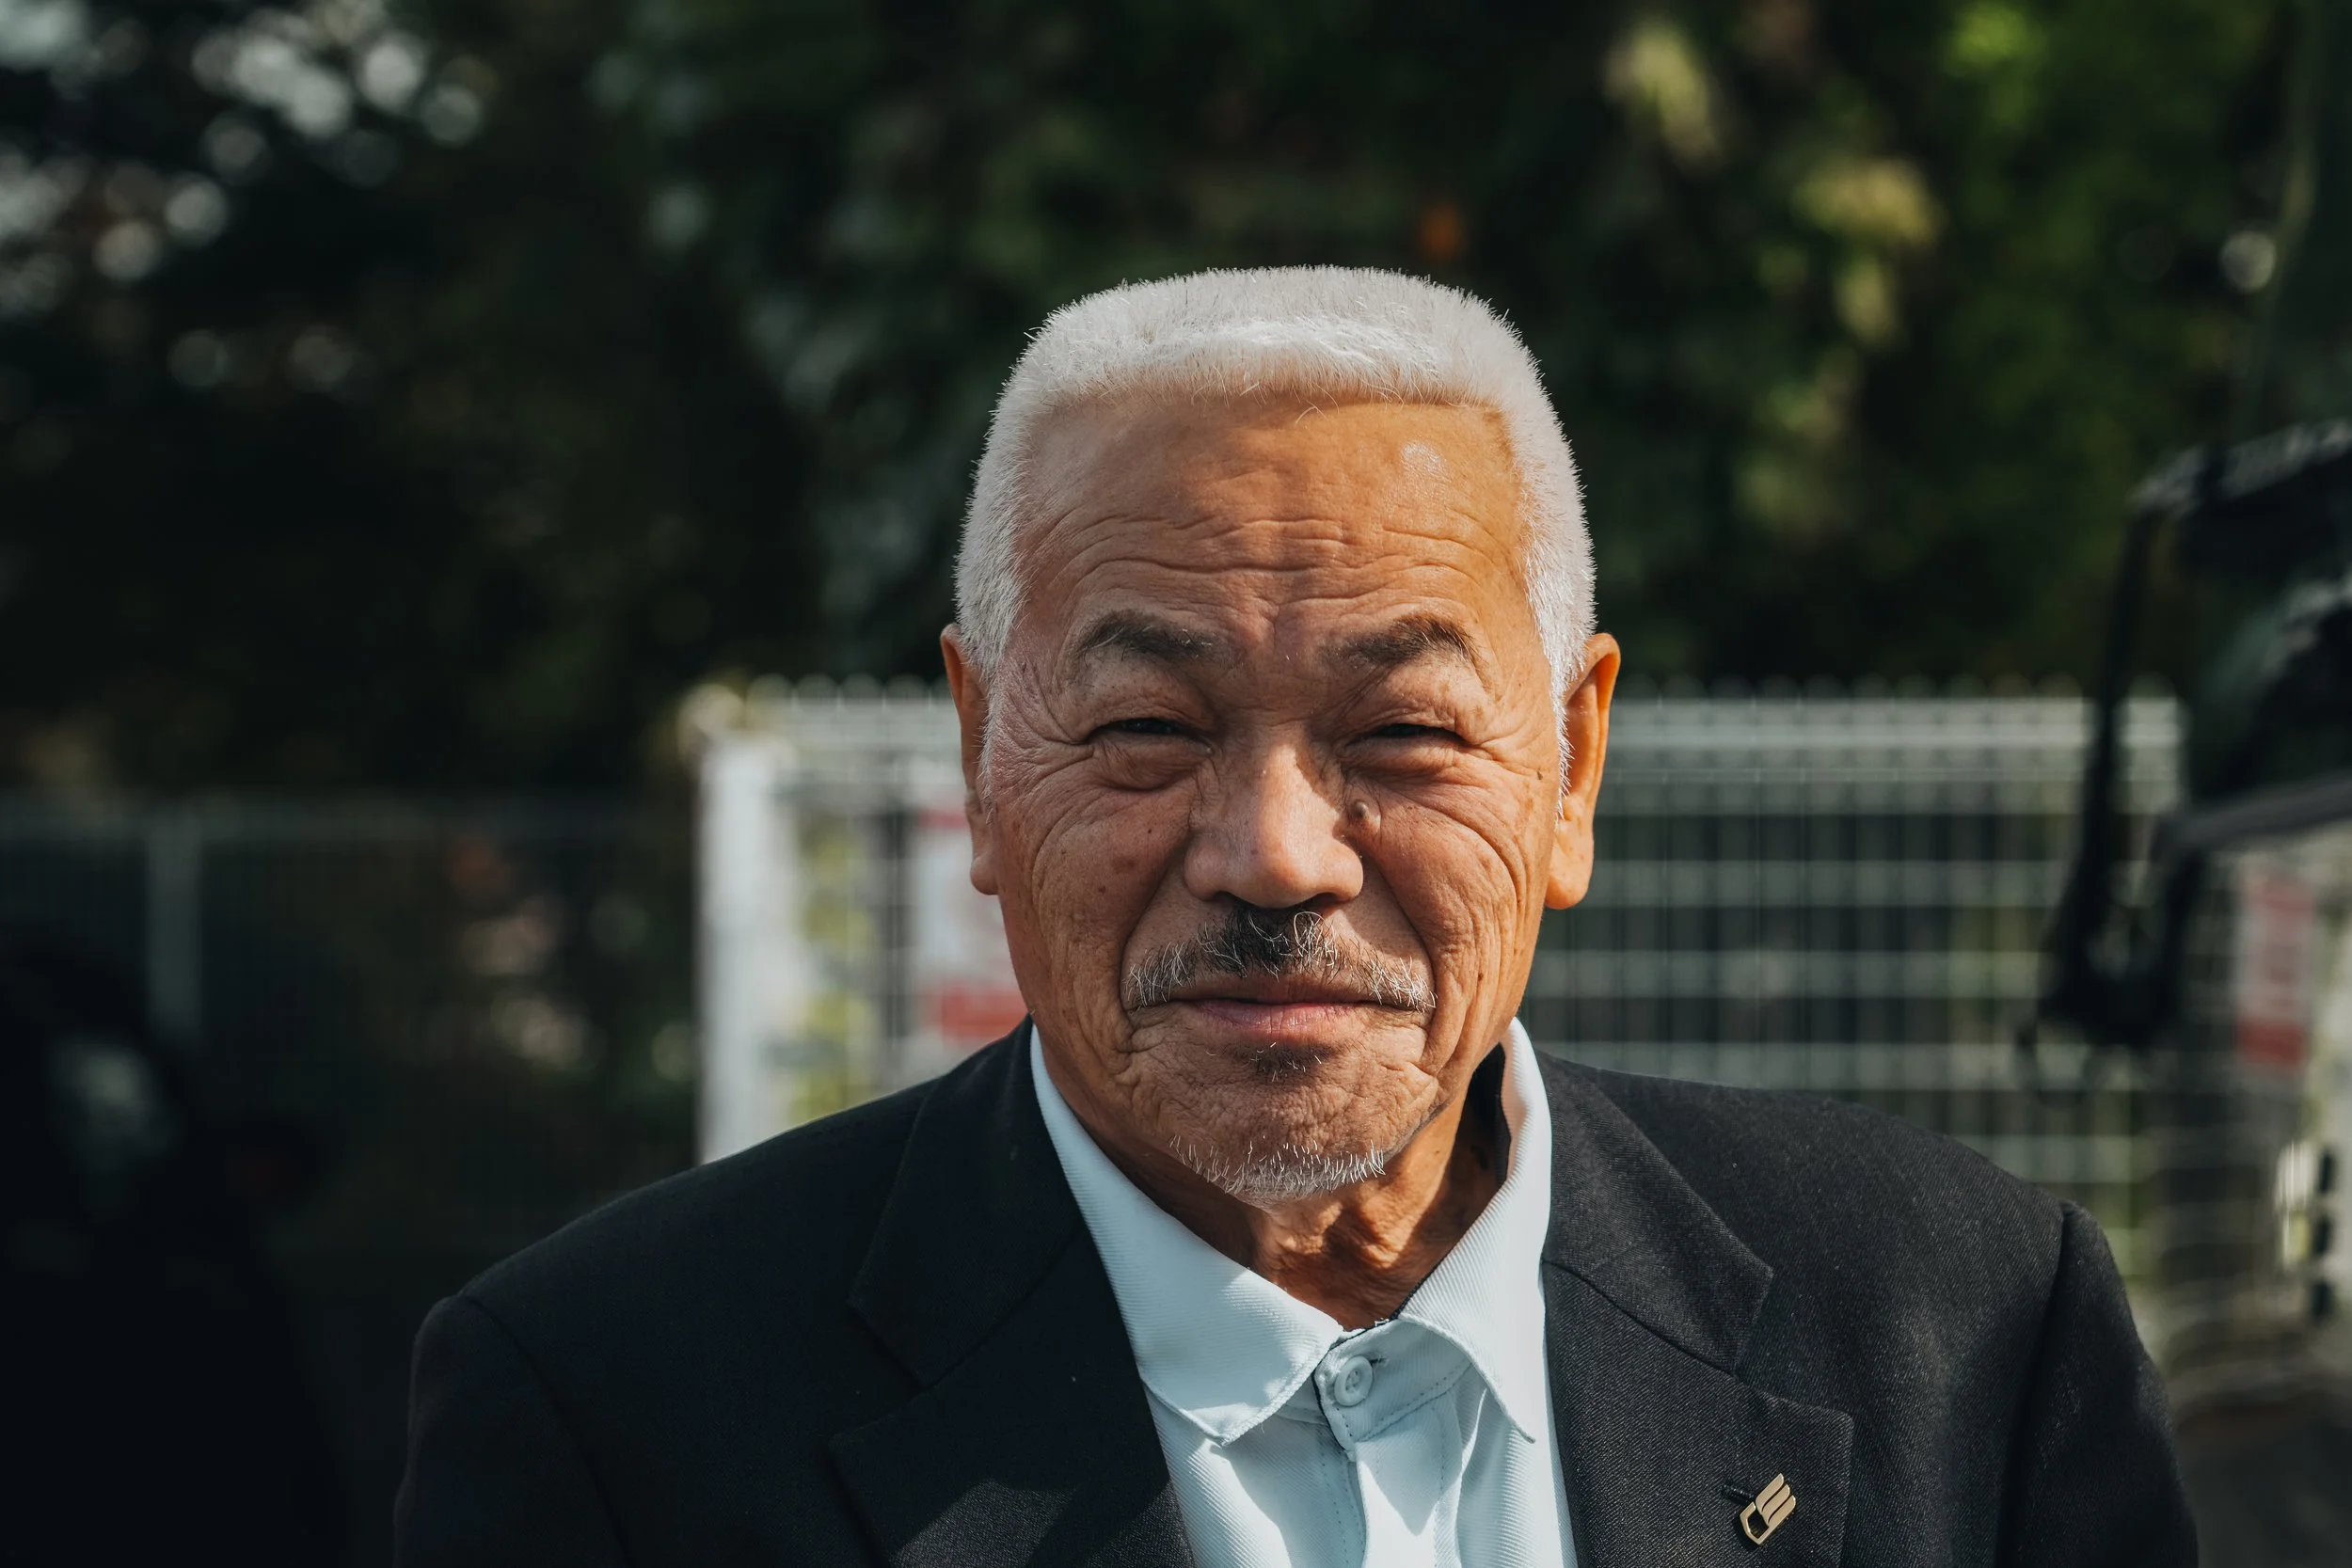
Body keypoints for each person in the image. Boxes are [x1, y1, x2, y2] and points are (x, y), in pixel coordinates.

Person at [395, 268, 2194, 1566]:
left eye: (1401, 730)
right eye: (1147, 730)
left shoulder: (1965, 1327)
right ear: (980, 754)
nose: (1273, 855)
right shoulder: (614, 1410)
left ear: (1569, 763)